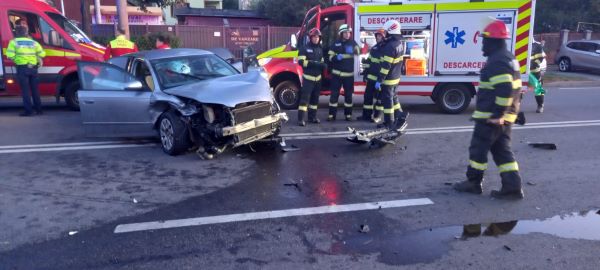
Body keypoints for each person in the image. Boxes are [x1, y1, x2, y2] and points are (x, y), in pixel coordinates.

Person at [453, 20, 525, 200]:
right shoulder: (508, 58)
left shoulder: (497, 61)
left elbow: (505, 89)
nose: (482, 46)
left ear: (493, 41)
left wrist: (498, 115)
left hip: (491, 118)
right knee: (502, 151)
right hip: (505, 116)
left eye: (485, 41)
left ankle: (473, 183)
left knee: (478, 150)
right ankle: (512, 187)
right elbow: (514, 89)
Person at [6, 25, 46, 116]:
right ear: (26, 33)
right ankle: (39, 110)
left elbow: (10, 55)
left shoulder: (13, 42)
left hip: (22, 68)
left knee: (25, 91)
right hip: (33, 68)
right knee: (35, 90)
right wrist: (35, 57)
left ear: (16, 32)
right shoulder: (33, 43)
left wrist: (17, 60)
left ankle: (29, 111)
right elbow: (43, 54)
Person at [375, 20, 408, 130]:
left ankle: (389, 123)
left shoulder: (390, 46)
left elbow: (385, 67)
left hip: (388, 80)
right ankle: (400, 115)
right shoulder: (399, 43)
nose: (384, 34)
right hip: (396, 78)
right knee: (394, 97)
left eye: (386, 32)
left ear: (390, 31)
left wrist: (379, 80)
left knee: (387, 101)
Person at [327, 24, 360, 121]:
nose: (347, 34)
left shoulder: (353, 43)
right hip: (336, 75)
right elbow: (329, 57)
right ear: (341, 34)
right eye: (345, 33)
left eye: (348, 32)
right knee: (334, 96)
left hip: (348, 75)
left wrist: (361, 48)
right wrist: (336, 57)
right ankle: (332, 115)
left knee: (348, 96)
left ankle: (348, 115)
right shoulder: (335, 43)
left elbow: (358, 52)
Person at [297, 28, 326, 126]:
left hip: (318, 79)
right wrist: (314, 63)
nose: (316, 39)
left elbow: (321, 61)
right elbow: (301, 62)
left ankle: (312, 117)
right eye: (314, 37)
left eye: (318, 37)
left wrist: (323, 65)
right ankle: (300, 119)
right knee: (304, 100)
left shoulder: (320, 49)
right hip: (308, 79)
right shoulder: (304, 48)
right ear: (311, 38)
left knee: (315, 100)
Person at [358, 28, 386, 123]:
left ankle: (377, 116)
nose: (378, 38)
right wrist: (365, 74)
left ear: (384, 37)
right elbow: (369, 62)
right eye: (377, 36)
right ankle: (366, 115)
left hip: (379, 80)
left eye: (380, 36)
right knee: (367, 97)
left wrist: (380, 80)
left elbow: (385, 66)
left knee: (379, 100)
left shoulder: (386, 49)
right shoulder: (374, 48)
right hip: (371, 78)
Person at [530, 39, 546, 113]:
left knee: (538, 88)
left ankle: (540, 105)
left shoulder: (537, 45)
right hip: (522, 71)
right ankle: (517, 104)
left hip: (534, 71)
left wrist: (534, 64)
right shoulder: (519, 42)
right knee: (519, 89)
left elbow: (541, 58)